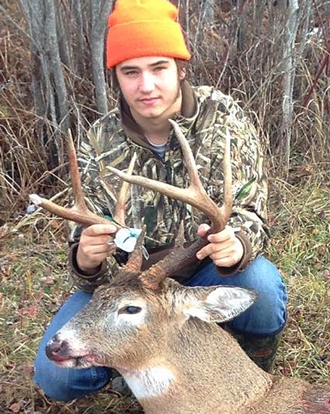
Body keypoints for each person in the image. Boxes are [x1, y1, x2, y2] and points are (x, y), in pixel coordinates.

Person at [34, 0, 287, 402]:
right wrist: (86, 258)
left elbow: (250, 212)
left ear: (180, 69)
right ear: (116, 77)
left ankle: (251, 370)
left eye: (158, 68)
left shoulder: (224, 118)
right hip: (126, 286)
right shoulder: (99, 141)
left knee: (260, 286)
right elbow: (85, 252)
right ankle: (134, 367)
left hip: (205, 273)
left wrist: (237, 245)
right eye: (130, 72)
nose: (146, 86)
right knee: (57, 377)